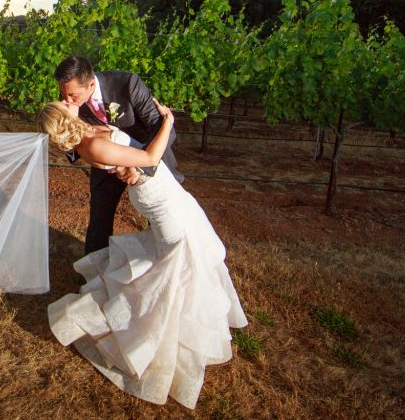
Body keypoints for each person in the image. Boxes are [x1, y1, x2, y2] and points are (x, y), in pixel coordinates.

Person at [36, 99, 247, 409]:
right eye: (63, 103)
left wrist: (127, 165)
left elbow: (128, 156)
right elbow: (149, 157)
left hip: (162, 190)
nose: (68, 101)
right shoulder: (91, 146)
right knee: (180, 258)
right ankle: (152, 333)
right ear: (63, 119)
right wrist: (168, 123)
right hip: (160, 199)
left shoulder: (88, 133)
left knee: (183, 253)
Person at [54, 56, 182, 255]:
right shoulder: (70, 99)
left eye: (72, 95)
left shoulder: (127, 84)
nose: (67, 100)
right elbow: (73, 146)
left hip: (150, 162)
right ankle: (94, 270)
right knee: (100, 215)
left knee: (163, 219)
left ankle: (160, 259)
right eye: (64, 94)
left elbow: (165, 131)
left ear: (91, 84)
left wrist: (136, 165)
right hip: (107, 163)